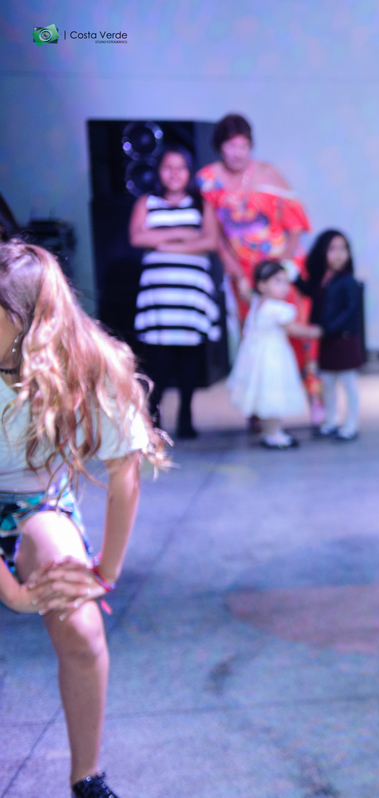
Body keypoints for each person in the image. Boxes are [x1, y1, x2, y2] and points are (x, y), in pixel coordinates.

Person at [0, 241, 169, 798]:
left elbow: (124, 472)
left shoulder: (89, 360)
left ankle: (87, 778)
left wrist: (104, 573)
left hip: (33, 499)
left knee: (82, 626)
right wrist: (16, 595)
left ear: (28, 321)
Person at [196, 114, 322, 422]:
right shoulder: (209, 179)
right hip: (244, 271)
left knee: (296, 330)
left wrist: (284, 267)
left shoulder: (268, 174)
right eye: (231, 146)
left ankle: (313, 397)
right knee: (254, 337)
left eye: (243, 146)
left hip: (281, 265)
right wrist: (236, 271)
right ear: (219, 147)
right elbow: (216, 236)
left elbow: (295, 225)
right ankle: (257, 409)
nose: (237, 153)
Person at [128, 146, 221, 439]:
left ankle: (186, 416)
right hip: (159, 295)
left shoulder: (201, 203)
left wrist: (162, 243)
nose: (174, 173)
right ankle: (153, 418)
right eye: (168, 167)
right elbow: (137, 237)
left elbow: (210, 241)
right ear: (159, 171)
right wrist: (182, 234)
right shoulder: (147, 202)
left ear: (189, 172)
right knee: (157, 359)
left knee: (189, 356)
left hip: (190, 293)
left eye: (180, 167)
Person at [226, 260, 321, 449]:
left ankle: (270, 431)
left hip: (256, 357)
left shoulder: (257, 302)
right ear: (262, 285)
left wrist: (241, 279)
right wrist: (315, 332)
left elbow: (244, 292)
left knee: (266, 395)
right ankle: (274, 434)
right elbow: (293, 329)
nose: (284, 287)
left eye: (286, 282)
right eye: (278, 281)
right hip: (273, 358)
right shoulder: (277, 309)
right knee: (274, 394)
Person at [302, 230, 366, 442]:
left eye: (343, 249)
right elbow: (310, 294)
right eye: (332, 249)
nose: (338, 255)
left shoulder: (348, 281)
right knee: (327, 383)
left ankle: (351, 424)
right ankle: (331, 420)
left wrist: (325, 329)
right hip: (327, 342)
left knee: (348, 384)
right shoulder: (322, 279)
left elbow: (350, 312)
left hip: (344, 340)